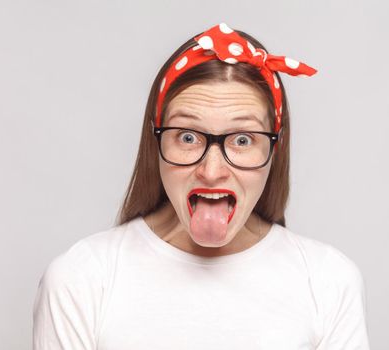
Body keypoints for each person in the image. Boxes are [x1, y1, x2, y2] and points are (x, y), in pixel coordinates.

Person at [32, 23, 371, 349]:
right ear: (156, 142)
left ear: (274, 149)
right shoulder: (81, 278)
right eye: (188, 137)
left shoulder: (328, 280)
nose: (212, 171)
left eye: (242, 139)